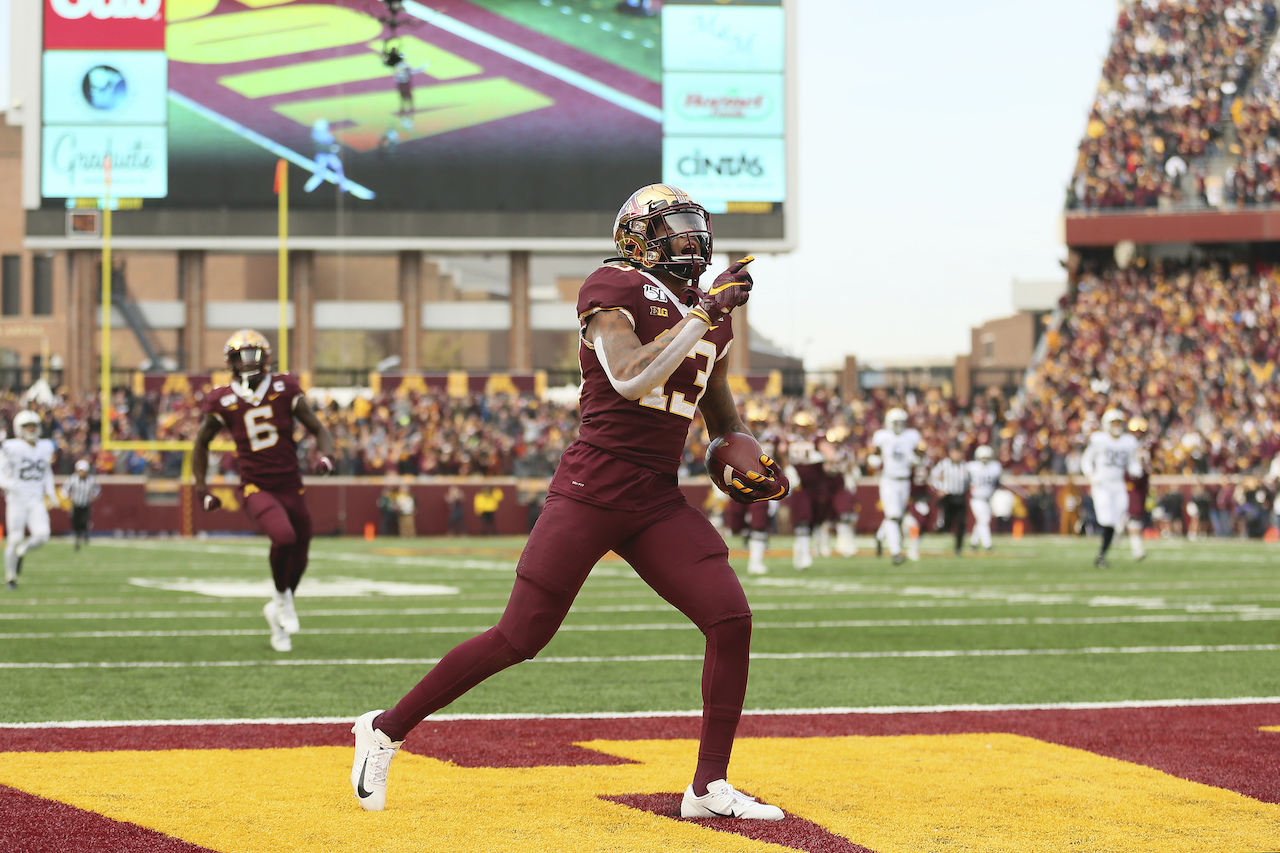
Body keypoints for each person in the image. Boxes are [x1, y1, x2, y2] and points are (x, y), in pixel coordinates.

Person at [349, 183, 790, 820]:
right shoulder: (613, 286)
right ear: (637, 239)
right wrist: (703, 315)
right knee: (520, 636)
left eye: (698, 227)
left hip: (656, 498)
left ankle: (707, 786)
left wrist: (746, 452)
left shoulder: (705, 311)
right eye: (677, 228)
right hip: (593, 487)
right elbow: (632, 376)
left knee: (730, 618)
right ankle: (385, 730)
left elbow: (720, 412)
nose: (693, 240)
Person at [192, 329, 336, 652]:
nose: (247, 363)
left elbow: (318, 428)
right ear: (230, 362)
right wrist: (202, 488)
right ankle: (283, 599)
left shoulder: (286, 388)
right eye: (240, 357)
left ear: (266, 357)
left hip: (291, 484)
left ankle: (277, 613)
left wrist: (326, 456)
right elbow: (201, 443)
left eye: (253, 355)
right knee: (283, 537)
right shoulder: (222, 399)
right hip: (256, 485)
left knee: (300, 554)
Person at [1, 410, 57, 591]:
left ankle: (22, 552)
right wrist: (7, 484)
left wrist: (52, 492)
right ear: (19, 428)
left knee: (42, 535)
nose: (31, 429)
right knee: (15, 537)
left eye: (33, 426)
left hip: (36, 499)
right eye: (27, 426)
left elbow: (46, 472)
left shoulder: (45, 446)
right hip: (17, 499)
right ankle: (10, 577)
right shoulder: (11, 446)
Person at [1080, 408, 1141, 568]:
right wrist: (1090, 475)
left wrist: (1135, 468)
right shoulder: (1099, 439)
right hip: (1102, 484)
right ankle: (1102, 550)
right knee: (1107, 520)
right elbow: (1086, 460)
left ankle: (1105, 551)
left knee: (1122, 514)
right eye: (1113, 423)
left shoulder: (1128, 441)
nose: (1116, 426)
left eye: (1119, 422)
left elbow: (1132, 461)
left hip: (1118, 484)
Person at [868, 407, 922, 565]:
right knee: (893, 515)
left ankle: (880, 537)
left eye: (901, 422)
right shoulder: (882, 436)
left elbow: (919, 458)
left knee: (897, 516)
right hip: (889, 480)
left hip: (905, 481)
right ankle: (896, 552)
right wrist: (876, 459)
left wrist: (916, 458)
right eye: (895, 422)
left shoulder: (911, 436)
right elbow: (874, 458)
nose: (899, 425)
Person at [929, 443, 969, 556]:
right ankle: (939, 543)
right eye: (954, 452)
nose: (956, 455)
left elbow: (969, 480)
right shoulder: (944, 464)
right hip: (948, 497)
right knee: (946, 523)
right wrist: (939, 488)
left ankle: (958, 548)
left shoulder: (965, 466)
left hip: (960, 496)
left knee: (961, 523)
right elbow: (933, 476)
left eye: (958, 452)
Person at [965, 444, 1002, 552]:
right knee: (984, 520)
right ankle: (987, 544)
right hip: (976, 498)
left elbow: (997, 483)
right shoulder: (972, 467)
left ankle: (974, 542)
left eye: (987, 458)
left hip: (988, 498)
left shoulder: (995, 467)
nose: (984, 460)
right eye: (982, 458)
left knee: (981, 520)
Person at [1126, 416, 1151, 560]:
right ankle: (1137, 549)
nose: (1138, 434)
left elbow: (1148, 466)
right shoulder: (1126, 445)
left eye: (1140, 431)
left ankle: (1117, 535)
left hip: (1141, 483)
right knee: (1133, 515)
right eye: (1135, 431)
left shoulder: (1146, 445)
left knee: (1135, 515)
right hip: (1130, 483)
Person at [60, 459, 100, 551]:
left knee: (85, 521)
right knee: (75, 522)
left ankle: (85, 535)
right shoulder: (72, 479)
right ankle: (77, 538)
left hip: (86, 504)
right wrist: (68, 497)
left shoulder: (91, 480)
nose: (82, 473)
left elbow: (97, 490)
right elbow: (64, 490)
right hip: (75, 504)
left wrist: (94, 496)